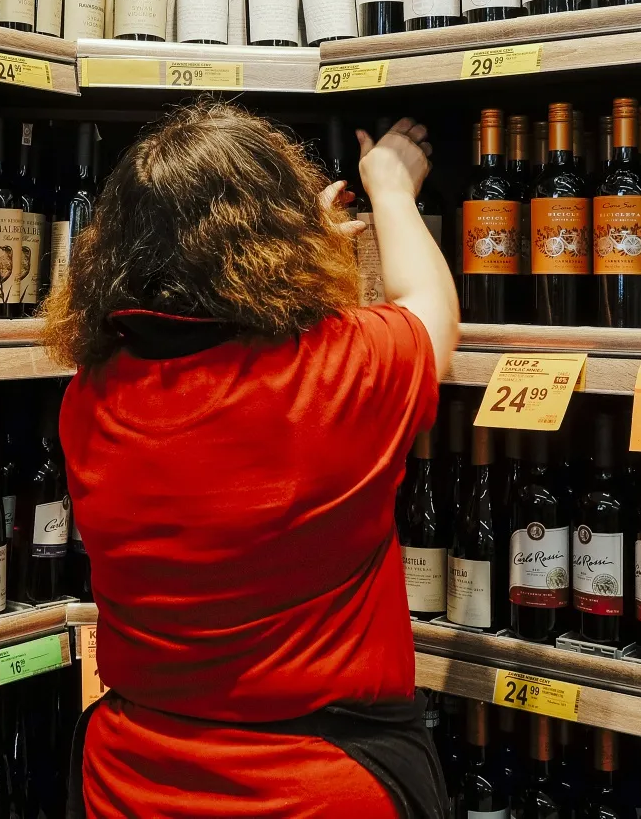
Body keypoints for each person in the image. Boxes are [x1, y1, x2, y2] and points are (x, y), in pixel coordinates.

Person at [46, 103, 458, 818]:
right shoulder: (338, 376)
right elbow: (428, 307)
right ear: (273, 238)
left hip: (129, 779)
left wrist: (305, 254)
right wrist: (391, 190)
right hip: (319, 785)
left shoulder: (92, 397)